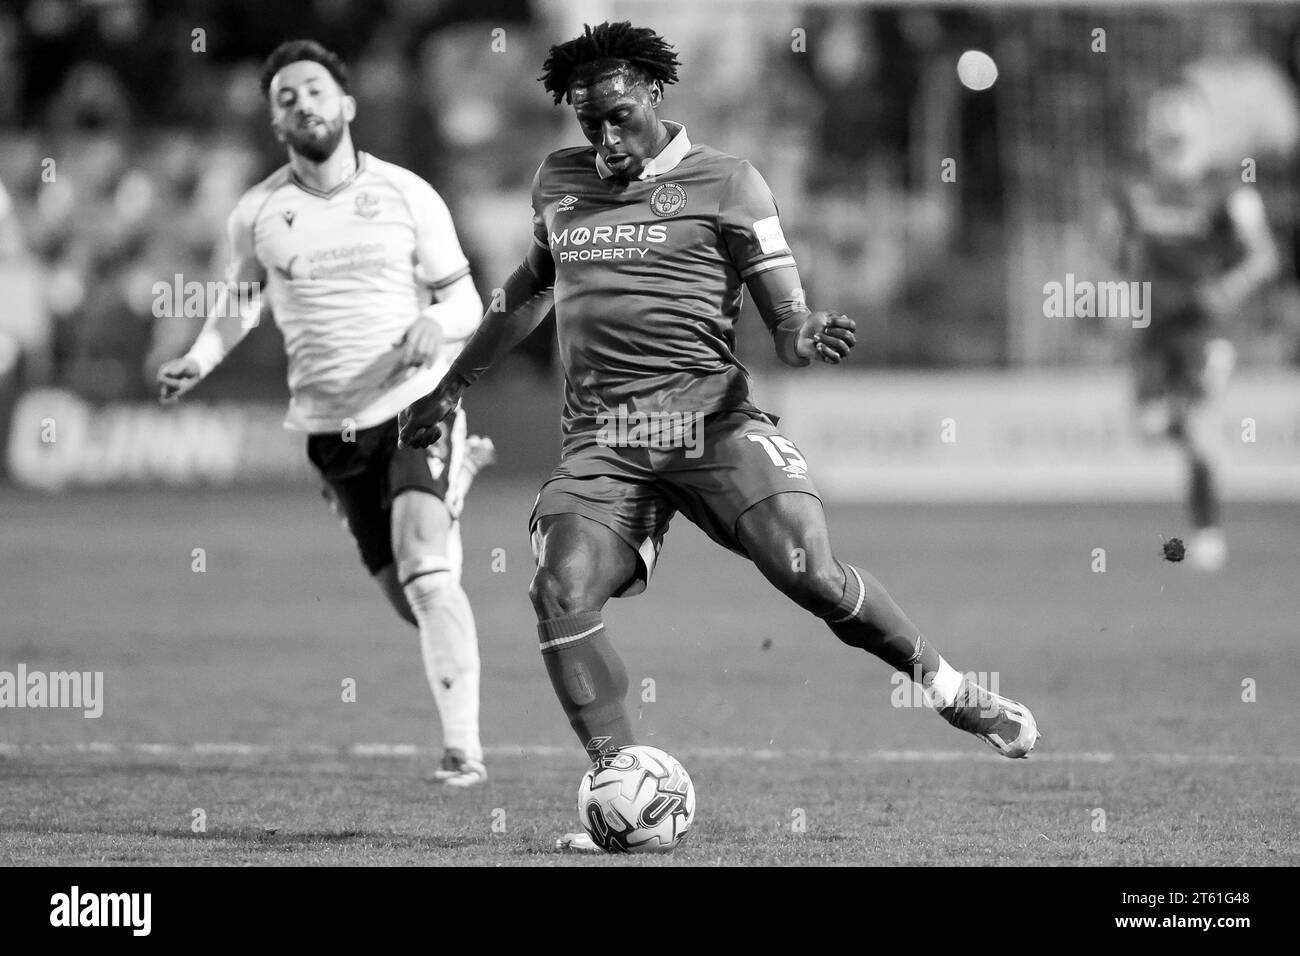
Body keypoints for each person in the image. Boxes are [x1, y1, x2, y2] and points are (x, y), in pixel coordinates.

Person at [399, 22, 1039, 848]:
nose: (603, 135)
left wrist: (804, 335)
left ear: (655, 95)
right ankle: (621, 783)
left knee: (808, 573)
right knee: (558, 589)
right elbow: (528, 288)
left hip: (711, 422)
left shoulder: (728, 182)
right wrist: (451, 385)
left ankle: (955, 692)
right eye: (588, 120)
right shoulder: (557, 181)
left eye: (619, 114)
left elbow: (786, 313)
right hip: (606, 438)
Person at [159, 40, 491, 786]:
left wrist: (436, 326)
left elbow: (466, 299)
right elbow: (238, 306)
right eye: (285, 98)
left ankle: (463, 752)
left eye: (313, 90)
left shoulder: (408, 194)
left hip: (415, 405)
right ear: (276, 123)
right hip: (329, 430)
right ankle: (456, 484)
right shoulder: (259, 212)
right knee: (415, 602)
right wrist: (198, 359)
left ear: (345, 104)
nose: (301, 103)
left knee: (429, 574)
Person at [1114, 85, 1279, 572]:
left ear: (1202, 128)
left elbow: (1264, 256)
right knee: (1148, 428)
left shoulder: (1228, 191)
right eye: (1162, 119)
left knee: (1203, 432)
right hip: (1153, 329)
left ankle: (1208, 533)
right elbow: (1115, 252)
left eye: (1181, 118)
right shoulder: (1134, 188)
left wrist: (1230, 286)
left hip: (1206, 330)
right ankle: (1184, 426)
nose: (1171, 128)